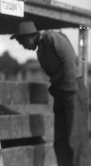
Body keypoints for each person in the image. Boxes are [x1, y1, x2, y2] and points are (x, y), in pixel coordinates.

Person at [11, 21, 90, 166]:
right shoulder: (40, 52)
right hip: (62, 93)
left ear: (29, 37)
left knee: (76, 137)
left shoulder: (50, 37)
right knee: (60, 139)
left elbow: (68, 59)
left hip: (73, 89)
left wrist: (68, 89)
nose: (23, 46)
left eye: (22, 42)